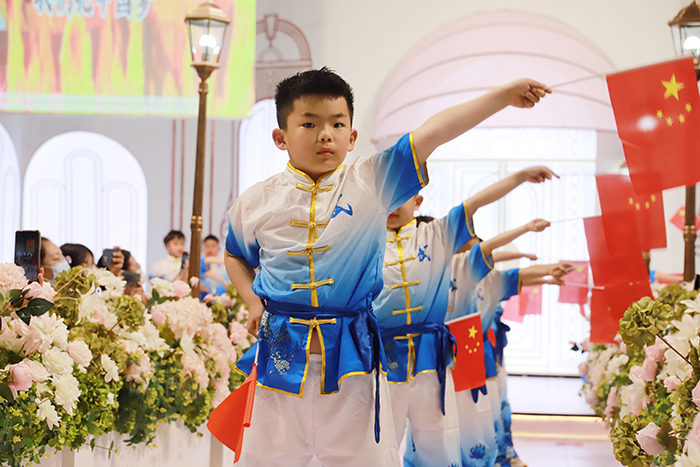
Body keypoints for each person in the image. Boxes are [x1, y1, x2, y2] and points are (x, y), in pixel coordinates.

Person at [225, 67, 551, 466]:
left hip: (353, 354)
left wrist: (502, 95)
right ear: (281, 137)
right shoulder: (254, 201)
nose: (324, 133)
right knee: (269, 458)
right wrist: (253, 303)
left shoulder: (371, 181)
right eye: (308, 123)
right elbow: (235, 255)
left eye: (336, 123)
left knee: (363, 459)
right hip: (280, 350)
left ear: (352, 136)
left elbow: (432, 133)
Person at [374, 167, 557, 467]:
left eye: (402, 197)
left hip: (431, 358)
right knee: (379, 441)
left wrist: (520, 177)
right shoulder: (366, 242)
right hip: (382, 357)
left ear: (417, 202)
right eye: (387, 198)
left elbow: (475, 206)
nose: (393, 206)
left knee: (437, 439)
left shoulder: (435, 236)